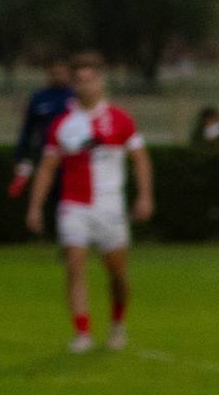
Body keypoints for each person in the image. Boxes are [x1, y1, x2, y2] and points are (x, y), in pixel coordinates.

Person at [25, 52, 153, 353]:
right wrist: (35, 206)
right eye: (79, 80)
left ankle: (117, 323)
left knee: (116, 272)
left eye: (90, 79)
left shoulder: (120, 119)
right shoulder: (63, 123)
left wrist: (145, 195)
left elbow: (140, 159)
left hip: (110, 205)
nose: (85, 86)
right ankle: (82, 332)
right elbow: (48, 167)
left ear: (101, 81)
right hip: (74, 204)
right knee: (74, 263)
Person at [8, 57, 73, 201]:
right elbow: (28, 129)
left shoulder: (76, 97)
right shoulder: (39, 97)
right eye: (55, 73)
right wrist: (21, 157)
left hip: (71, 160)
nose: (58, 76)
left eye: (62, 73)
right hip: (45, 157)